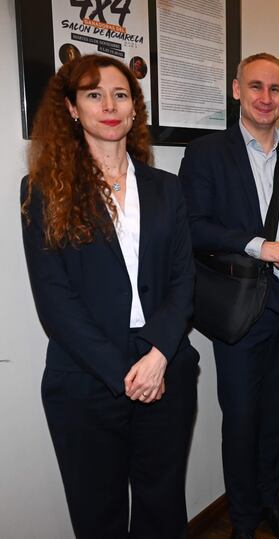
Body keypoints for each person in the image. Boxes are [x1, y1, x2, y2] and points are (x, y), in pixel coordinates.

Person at [20, 54, 198, 538]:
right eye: (93, 95)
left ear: (135, 109)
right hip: (86, 381)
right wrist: (123, 375)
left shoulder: (167, 188)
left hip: (166, 370)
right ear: (73, 110)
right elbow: (54, 301)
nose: (109, 105)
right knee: (99, 518)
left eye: (121, 94)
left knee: (162, 510)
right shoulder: (42, 191)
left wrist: (160, 353)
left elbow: (185, 279)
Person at [179, 53, 279, 539]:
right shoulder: (206, 153)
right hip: (240, 310)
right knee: (240, 419)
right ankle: (243, 520)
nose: (265, 98)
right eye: (255, 87)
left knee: (278, 418)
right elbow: (193, 227)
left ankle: (269, 497)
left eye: (275, 89)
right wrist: (259, 246)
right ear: (236, 90)